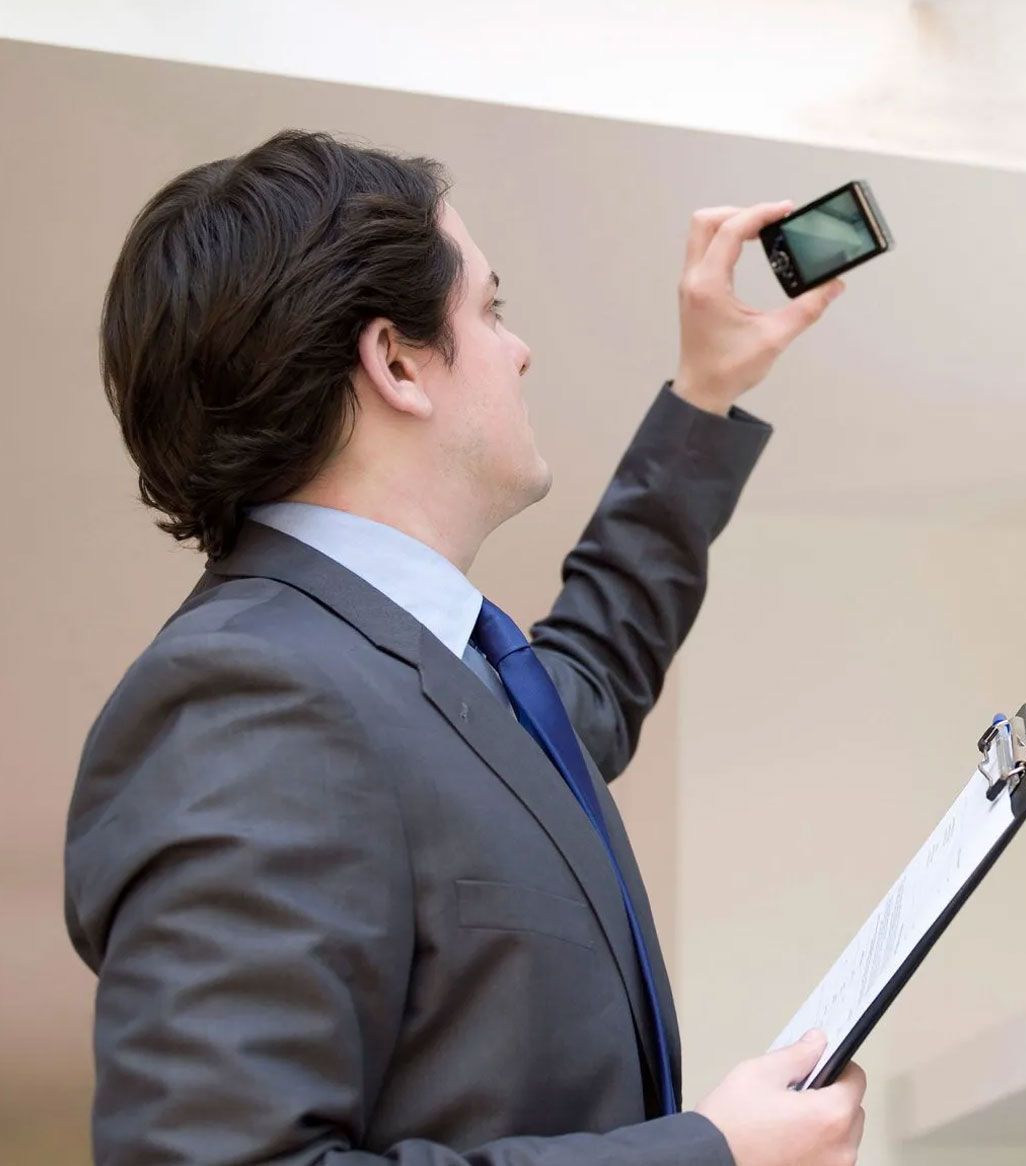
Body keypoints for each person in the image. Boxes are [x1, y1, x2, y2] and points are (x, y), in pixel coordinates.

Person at [64, 129, 863, 1165]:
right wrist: (711, 1153)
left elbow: (591, 677)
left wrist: (705, 392)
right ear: (396, 360)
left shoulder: (426, 671)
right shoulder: (244, 691)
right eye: (489, 307)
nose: (518, 346)